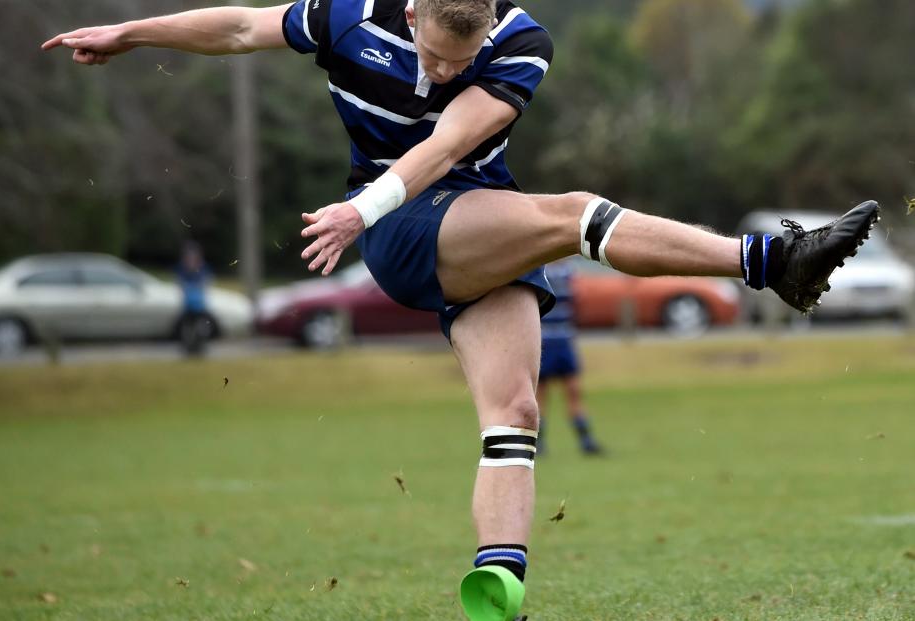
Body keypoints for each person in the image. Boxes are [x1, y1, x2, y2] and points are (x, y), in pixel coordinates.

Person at [43, 2, 879, 619]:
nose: (444, 71)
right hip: (404, 229)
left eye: (460, 56)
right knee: (573, 214)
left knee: (513, 414)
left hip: (468, 217)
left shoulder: (519, 44)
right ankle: (775, 262)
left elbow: (446, 146)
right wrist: (130, 33)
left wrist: (359, 207)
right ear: (410, 13)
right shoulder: (344, 17)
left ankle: (497, 586)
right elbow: (238, 29)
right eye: (437, 55)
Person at [535, 259, 602, 457]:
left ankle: (586, 441)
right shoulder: (540, 271)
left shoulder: (569, 272)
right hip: (544, 340)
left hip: (564, 340)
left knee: (573, 391)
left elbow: (581, 298)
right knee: (540, 396)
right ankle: (539, 443)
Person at [175, 240, 212, 356]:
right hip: (188, 305)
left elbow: (206, 282)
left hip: (199, 305)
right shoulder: (183, 269)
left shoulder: (202, 268)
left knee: (201, 326)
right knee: (187, 326)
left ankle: (199, 346)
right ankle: (188, 346)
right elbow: (180, 283)